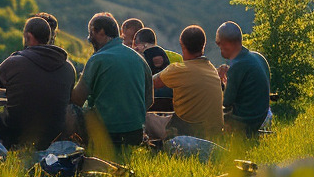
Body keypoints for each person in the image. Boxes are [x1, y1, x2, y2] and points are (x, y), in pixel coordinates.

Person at [0, 15, 77, 150]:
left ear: (28, 36)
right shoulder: (69, 68)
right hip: (52, 137)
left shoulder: (14, 62)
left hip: (14, 135)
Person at [71, 12, 153, 151]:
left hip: (106, 134)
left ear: (101, 32)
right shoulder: (139, 59)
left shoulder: (97, 59)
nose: (90, 39)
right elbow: (149, 100)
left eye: (91, 34)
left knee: (68, 111)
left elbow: (77, 100)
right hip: (135, 135)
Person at [148, 25, 224, 140]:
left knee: (147, 119)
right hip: (214, 134)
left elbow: (149, 83)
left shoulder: (178, 70)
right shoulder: (211, 69)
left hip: (189, 134)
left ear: (182, 46)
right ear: (203, 46)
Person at [215, 21, 272, 135]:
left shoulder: (238, 66)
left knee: (207, 115)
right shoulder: (257, 57)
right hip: (262, 116)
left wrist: (219, 83)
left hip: (244, 122)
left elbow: (226, 102)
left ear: (225, 44)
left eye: (218, 43)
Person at [134, 27, 173, 109]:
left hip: (148, 100)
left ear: (141, 45)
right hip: (169, 100)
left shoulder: (142, 56)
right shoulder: (163, 53)